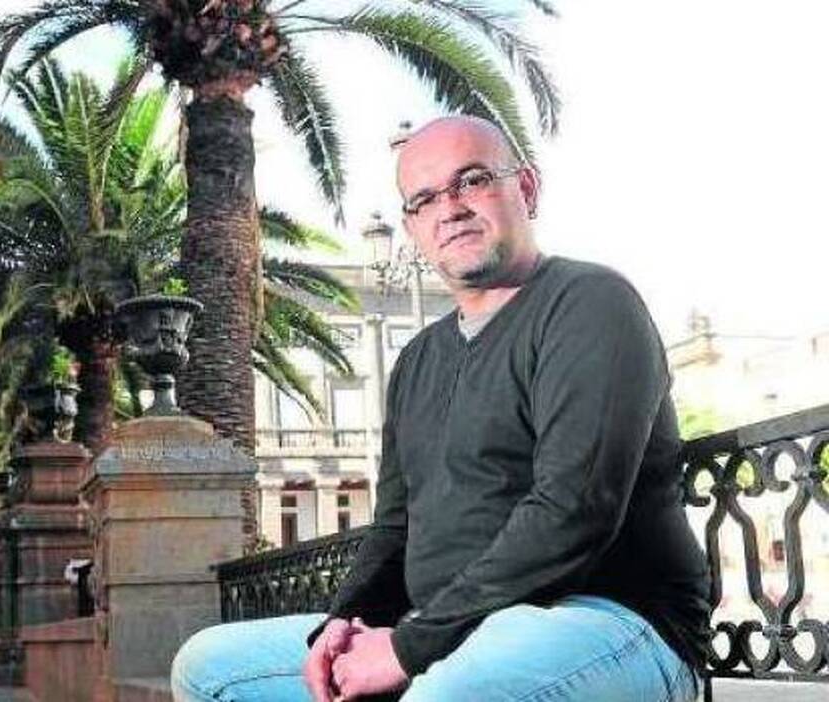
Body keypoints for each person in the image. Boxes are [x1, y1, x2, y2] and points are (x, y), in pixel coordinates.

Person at [171, 116, 711, 701]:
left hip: (606, 620)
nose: (449, 209)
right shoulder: (417, 361)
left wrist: (409, 648)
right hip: (446, 628)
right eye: (424, 199)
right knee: (209, 665)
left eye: (471, 180)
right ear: (412, 226)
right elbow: (394, 526)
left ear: (526, 188)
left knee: (445, 695)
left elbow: (574, 507)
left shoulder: (591, 303)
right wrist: (342, 622)